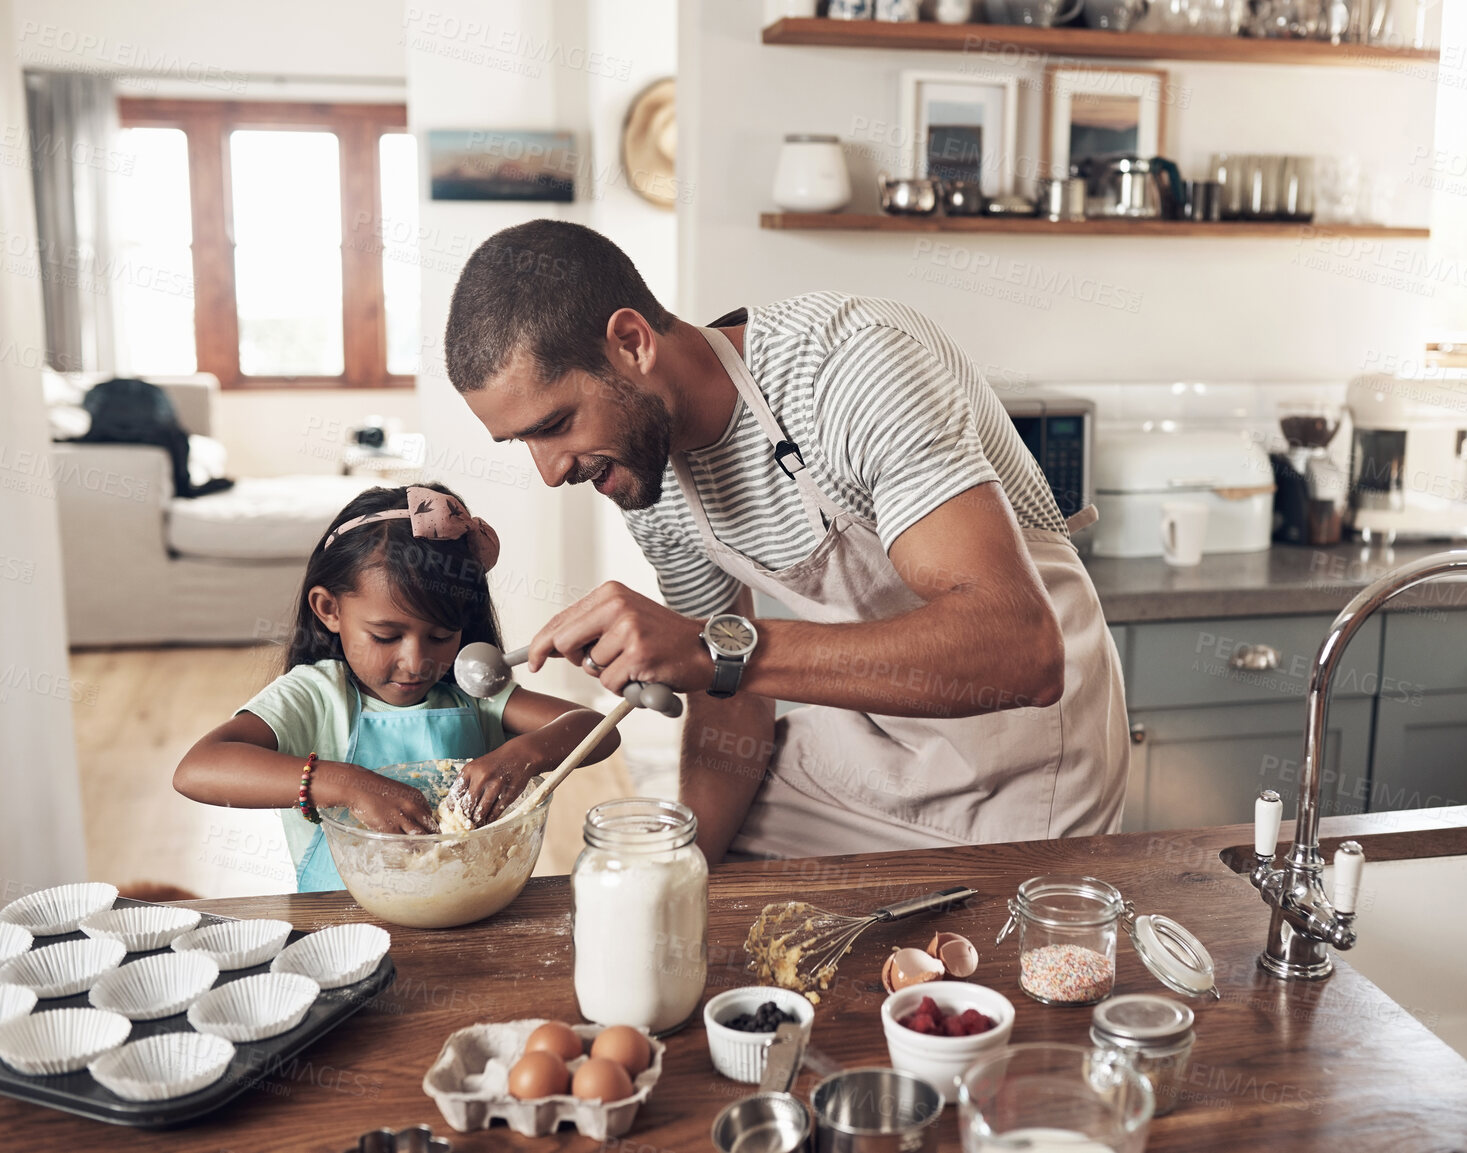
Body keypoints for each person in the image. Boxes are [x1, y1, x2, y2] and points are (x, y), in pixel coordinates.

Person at [444, 221, 1129, 864]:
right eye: (522, 442)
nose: (550, 469)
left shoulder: (848, 367)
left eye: (555, 423)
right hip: (876, 734)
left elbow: (1019, 653)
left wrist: (708, 648)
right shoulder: (641, 474)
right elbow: (730, 695)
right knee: (704, 874)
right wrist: (683, 875)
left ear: (631, 342)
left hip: (1026, 754)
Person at [174, 483, 619, 891]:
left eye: (442, 636)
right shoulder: (315, 695)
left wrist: (527, 752)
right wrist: (344, 783)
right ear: (329, 609)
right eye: (386, 636)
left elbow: (599, 729)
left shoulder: (471, 690)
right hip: (342, 926)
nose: (416, 660)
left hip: (471, 904)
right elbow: (197, 769)